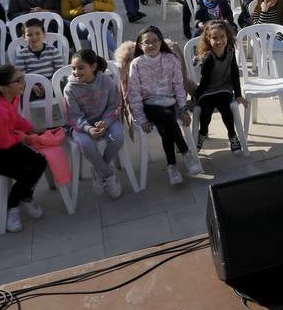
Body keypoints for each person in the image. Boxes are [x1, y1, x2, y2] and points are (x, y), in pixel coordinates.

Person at [0, 64, 50, 232]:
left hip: (3, 143)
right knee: (26, 171)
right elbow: (3, 143)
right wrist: (24, 137)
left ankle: (24, 195)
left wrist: (30, 128)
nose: (24, 83)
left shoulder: (10, 97)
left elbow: (14, 118)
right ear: (2, 86)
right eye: (19, 80)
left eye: (23, 79)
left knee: (39, 162)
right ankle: (14, 205)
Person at [126, 27, 201, 184]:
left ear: (161, 42)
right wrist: (141, 119)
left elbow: (179, 87)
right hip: (149, 105)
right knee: (167, 116)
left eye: (155, 41)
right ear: (140, 45)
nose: (151, 45)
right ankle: (186, 154)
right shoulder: (136, 64)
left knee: (164, 126)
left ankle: (172, 167)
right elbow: (134, 94)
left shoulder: (171, 59)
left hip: (170, 102)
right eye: (147, 42)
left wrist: (183, 109)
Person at [63, 49, 125, 199]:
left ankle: (98, 169)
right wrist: (88, 128)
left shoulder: (106, 81)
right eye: (73, 68)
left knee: (117, 137)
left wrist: (106, 121)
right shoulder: (70, 88)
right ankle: (108, 175)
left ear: (93, 66)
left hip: (107, 120)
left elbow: (115, 104)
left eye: (81, 67)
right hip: (81, 126)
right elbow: (74, 116)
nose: (76, 72)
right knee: (86, 145)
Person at [190, 20, 244, 154]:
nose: (219, 41)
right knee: (205, 111)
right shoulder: (209, 57)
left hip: (224, 88)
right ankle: (202, 133)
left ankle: (232, 135)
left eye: (222, 37)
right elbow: (204, 81)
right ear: (208, 39)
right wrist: (195, 97)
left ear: (227, 36)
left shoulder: (230, 51)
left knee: (226, 109)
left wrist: (238, 94)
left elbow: (235, 73)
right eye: (214, 38)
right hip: (208, 90)